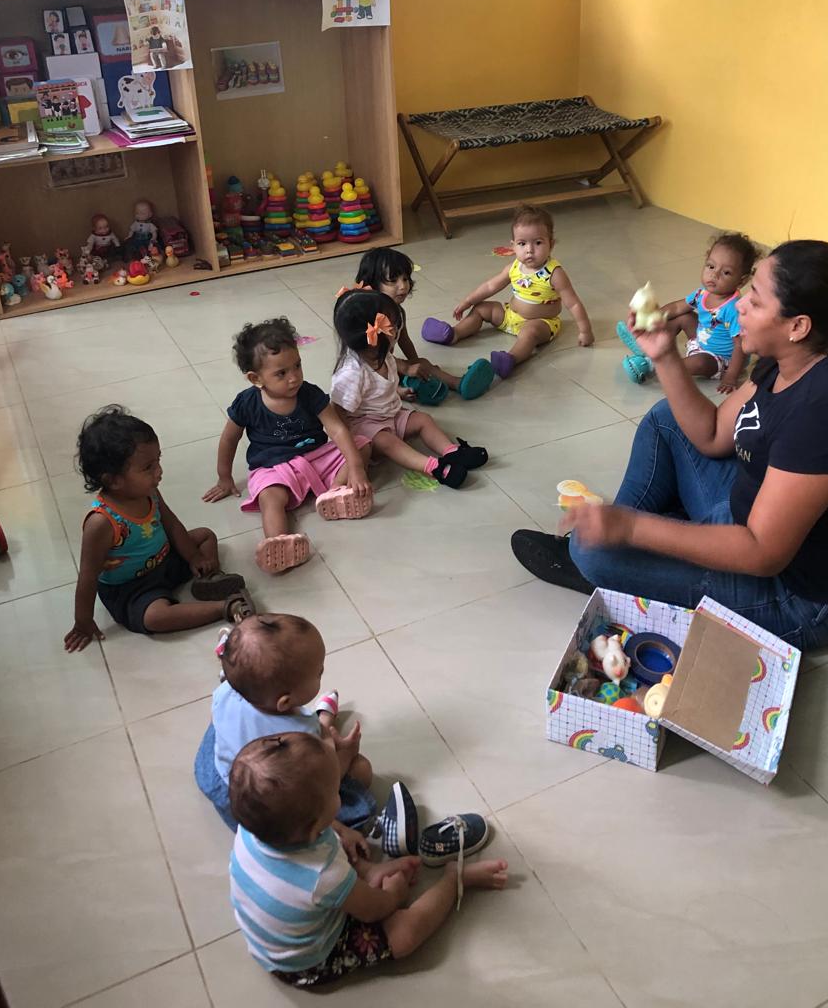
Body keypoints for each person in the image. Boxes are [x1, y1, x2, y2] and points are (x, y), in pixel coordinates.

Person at [511, 240, 828, 651]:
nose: (740, 305)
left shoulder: (826, 408)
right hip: (744, 512)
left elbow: (762, 553)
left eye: (755, 299)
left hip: (795, 597)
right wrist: (664, 355)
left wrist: (631, 528)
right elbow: (713, 433)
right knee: (667, 420)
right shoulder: (789, 357)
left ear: (798, 326)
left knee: (592, 554)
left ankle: (611, 563)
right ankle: (630, 553)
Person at [228, 730, 509, 989]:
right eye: (335, 792)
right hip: (306, 962)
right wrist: (393, 894)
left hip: (271, 939)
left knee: (333, 850)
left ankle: (369, 872)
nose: (340, 790)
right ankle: (455, 879)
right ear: (315, 825)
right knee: (403, 936)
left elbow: (321, 832)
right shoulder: (323, 875)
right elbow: (373, 911)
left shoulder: (254, 830)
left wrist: (344, 834)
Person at [64, 407, 254, 653]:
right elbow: (88, 576)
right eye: (148, 467)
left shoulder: (149, 491)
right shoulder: (101, 522)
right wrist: (83, 622)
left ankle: (208, 580)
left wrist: (194, 557)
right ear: (113, 480)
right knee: (154, 618)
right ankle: (226, 607)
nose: (159, 471)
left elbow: (171, 524)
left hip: (164, 559)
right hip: (131, 588)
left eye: (158, 461)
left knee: (205, 535)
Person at [203, 317, 373, 575]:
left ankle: (337, 490)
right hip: (273, 468)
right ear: (255, 378)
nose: (294, 378)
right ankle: (279, 542)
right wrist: (224, 477)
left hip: (316, 458)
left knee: (361, 444)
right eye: (281, 373)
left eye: (297, 366)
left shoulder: (310, 393)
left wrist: (356, 467)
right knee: (270, 498)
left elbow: (337, 429)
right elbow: (229, 439)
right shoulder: (247, 403)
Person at [194, 613, 375, 847]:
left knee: (219, 725)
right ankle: (324, 718)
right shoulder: (300, 733)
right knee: (361, 770)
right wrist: (346, 754)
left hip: (218, 777)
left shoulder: (227, 689)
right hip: (270, 813)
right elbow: (324, 778)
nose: (322, 671)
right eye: (319, 672)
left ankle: (322, 721)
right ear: (285, 702)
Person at [331, 289, 488, 488]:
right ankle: (433, 467)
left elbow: (379, 389)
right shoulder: (351, 374)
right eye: (393, 326)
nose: (398, 331)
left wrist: (399, 392)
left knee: (423, 419)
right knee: (389, 442)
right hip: (366, 427)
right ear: (374, 336)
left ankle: (451, 451)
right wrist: (353, 449)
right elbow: (337, 413)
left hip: (391, 413)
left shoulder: (384, 355)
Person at [420, 204, 593, 379]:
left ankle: (511, 359)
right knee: (482, 308)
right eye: (522, 243)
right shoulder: (514, 267)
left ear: (551, 244)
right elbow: (490, 286)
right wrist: (468, 301)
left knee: (530, 333)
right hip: (510, 315)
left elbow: (573, 303)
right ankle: (453, 333)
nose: (529, 250)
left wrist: (585, 331)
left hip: (542, 322)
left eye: (538, 243)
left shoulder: (555, 273)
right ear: (513, 246)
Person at [618, 232, 760, 393]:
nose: (714, 274)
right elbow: (677, 307)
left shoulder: (733, 308)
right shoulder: (702, 293)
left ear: (741, 280)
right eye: (711, 266)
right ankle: (649, 338)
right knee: (684, 317)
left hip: (720, 360)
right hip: (701, 341)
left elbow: (740, 345)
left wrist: (731, 376)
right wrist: (652, 317)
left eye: (726, 272)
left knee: (700, 363)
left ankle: (652, 365)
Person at [354, 245, 494, 402]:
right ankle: (396, 392)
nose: (403, 286)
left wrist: (415, 363)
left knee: (424, 363)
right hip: (368, 369)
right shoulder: (371, 320)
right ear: (373, 284)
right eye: (393, 280)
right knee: (380, 378)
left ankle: (459, 384)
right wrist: (406, 368)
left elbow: (404, 340)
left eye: (405, 278)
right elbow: (373, 358)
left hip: (388, 363)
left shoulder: (398, 312)